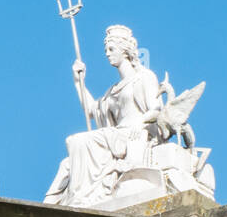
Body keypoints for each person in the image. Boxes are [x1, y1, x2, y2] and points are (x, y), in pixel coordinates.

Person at [44, 25, 164, 207]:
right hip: (113, 136)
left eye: (111, 49)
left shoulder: (144, 77)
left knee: (76, 141)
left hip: (129, 136)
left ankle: (80, 199)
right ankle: (49, 207)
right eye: (106, 50)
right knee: (67, 164)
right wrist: (78, 83)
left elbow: (156, 109)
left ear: (125, 51)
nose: (107, 54)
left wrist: (140, 123)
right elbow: (92, 110)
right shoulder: (112, 91)